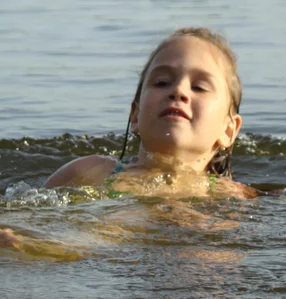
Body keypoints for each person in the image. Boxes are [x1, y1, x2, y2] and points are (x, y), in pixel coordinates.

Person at [44, 27, 259, 199]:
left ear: (228, 130)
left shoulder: (230, 196)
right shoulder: (90, 171)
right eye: (162, 82)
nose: (178, 91)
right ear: (135, 115)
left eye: (199, 87)